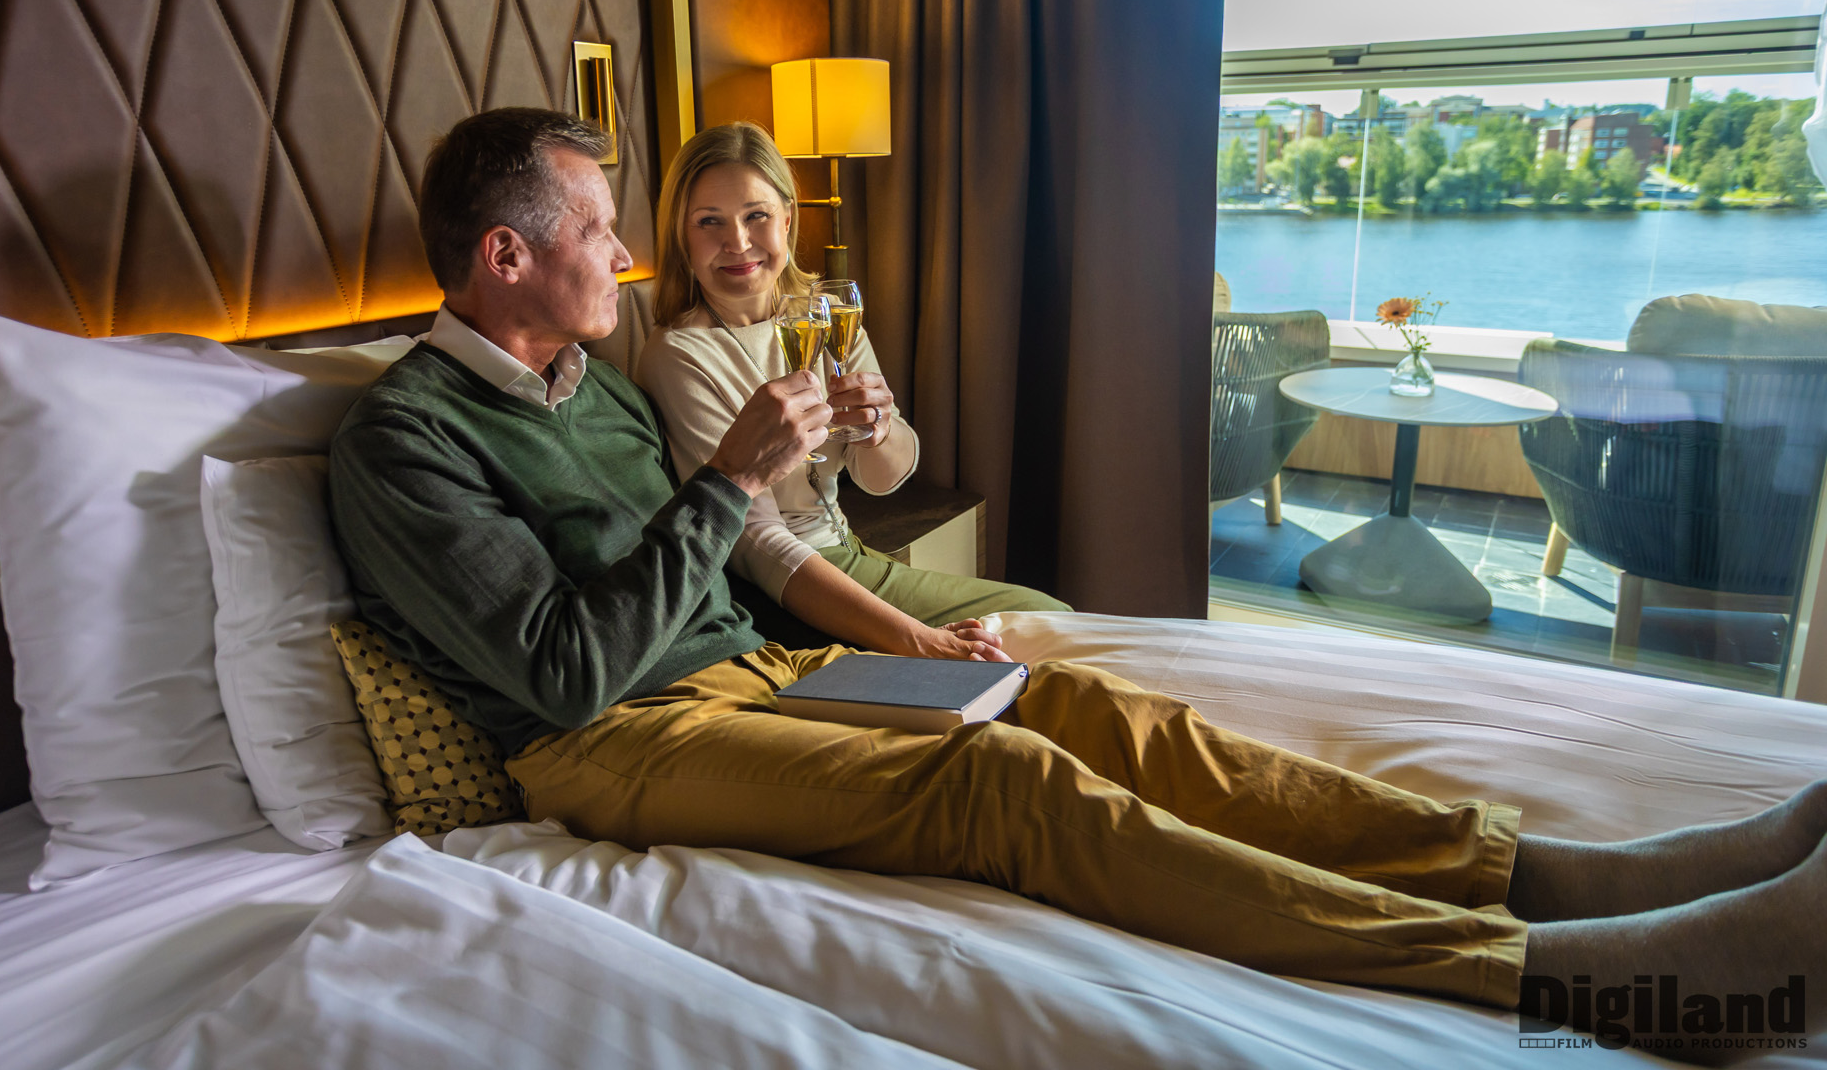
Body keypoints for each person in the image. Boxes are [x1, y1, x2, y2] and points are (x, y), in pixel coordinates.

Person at [328, 108, 1825, 1060]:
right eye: (600, 227)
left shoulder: (590, 382)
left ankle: (1554, 874)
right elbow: (565, 669)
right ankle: (1548, 972)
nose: (628, 251)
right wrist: (726, 483)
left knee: (1082, 706)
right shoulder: (401, 438)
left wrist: (806, 528)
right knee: (1008, 784)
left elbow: (783, 531)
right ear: (509, 255)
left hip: (770, 672)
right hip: (617, 739)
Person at [634, 122, 1064, 664]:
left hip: (850, 551)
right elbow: (754, 543)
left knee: (1049, 623)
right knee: (1043, 628)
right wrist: (915, 638)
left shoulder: (827, 318)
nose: (738, 242)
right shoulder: (680, 355)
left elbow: (883, 481)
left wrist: (878, 429)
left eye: (756, 215)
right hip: (781, 589)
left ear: (788, 218)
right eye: (709, 221)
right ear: (681, 234)